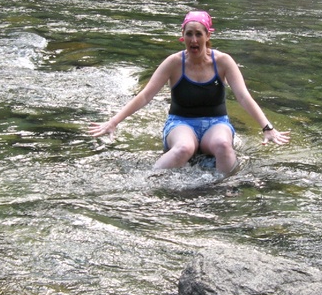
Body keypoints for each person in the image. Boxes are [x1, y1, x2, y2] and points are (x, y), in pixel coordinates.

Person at [89, 10, 290, 176]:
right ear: (182, 36)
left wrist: (267, 128)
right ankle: (148, 182)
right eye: (189, 34)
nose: (193, 40)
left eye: (198, 34)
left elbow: (243, 97)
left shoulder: (223, 62)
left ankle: (225, 193)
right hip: (181, 123)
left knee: (223, 145)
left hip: (216, 123)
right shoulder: (174, 63)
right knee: (184, 148)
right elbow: (145, 96)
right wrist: (114, 121)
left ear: (208, 36)